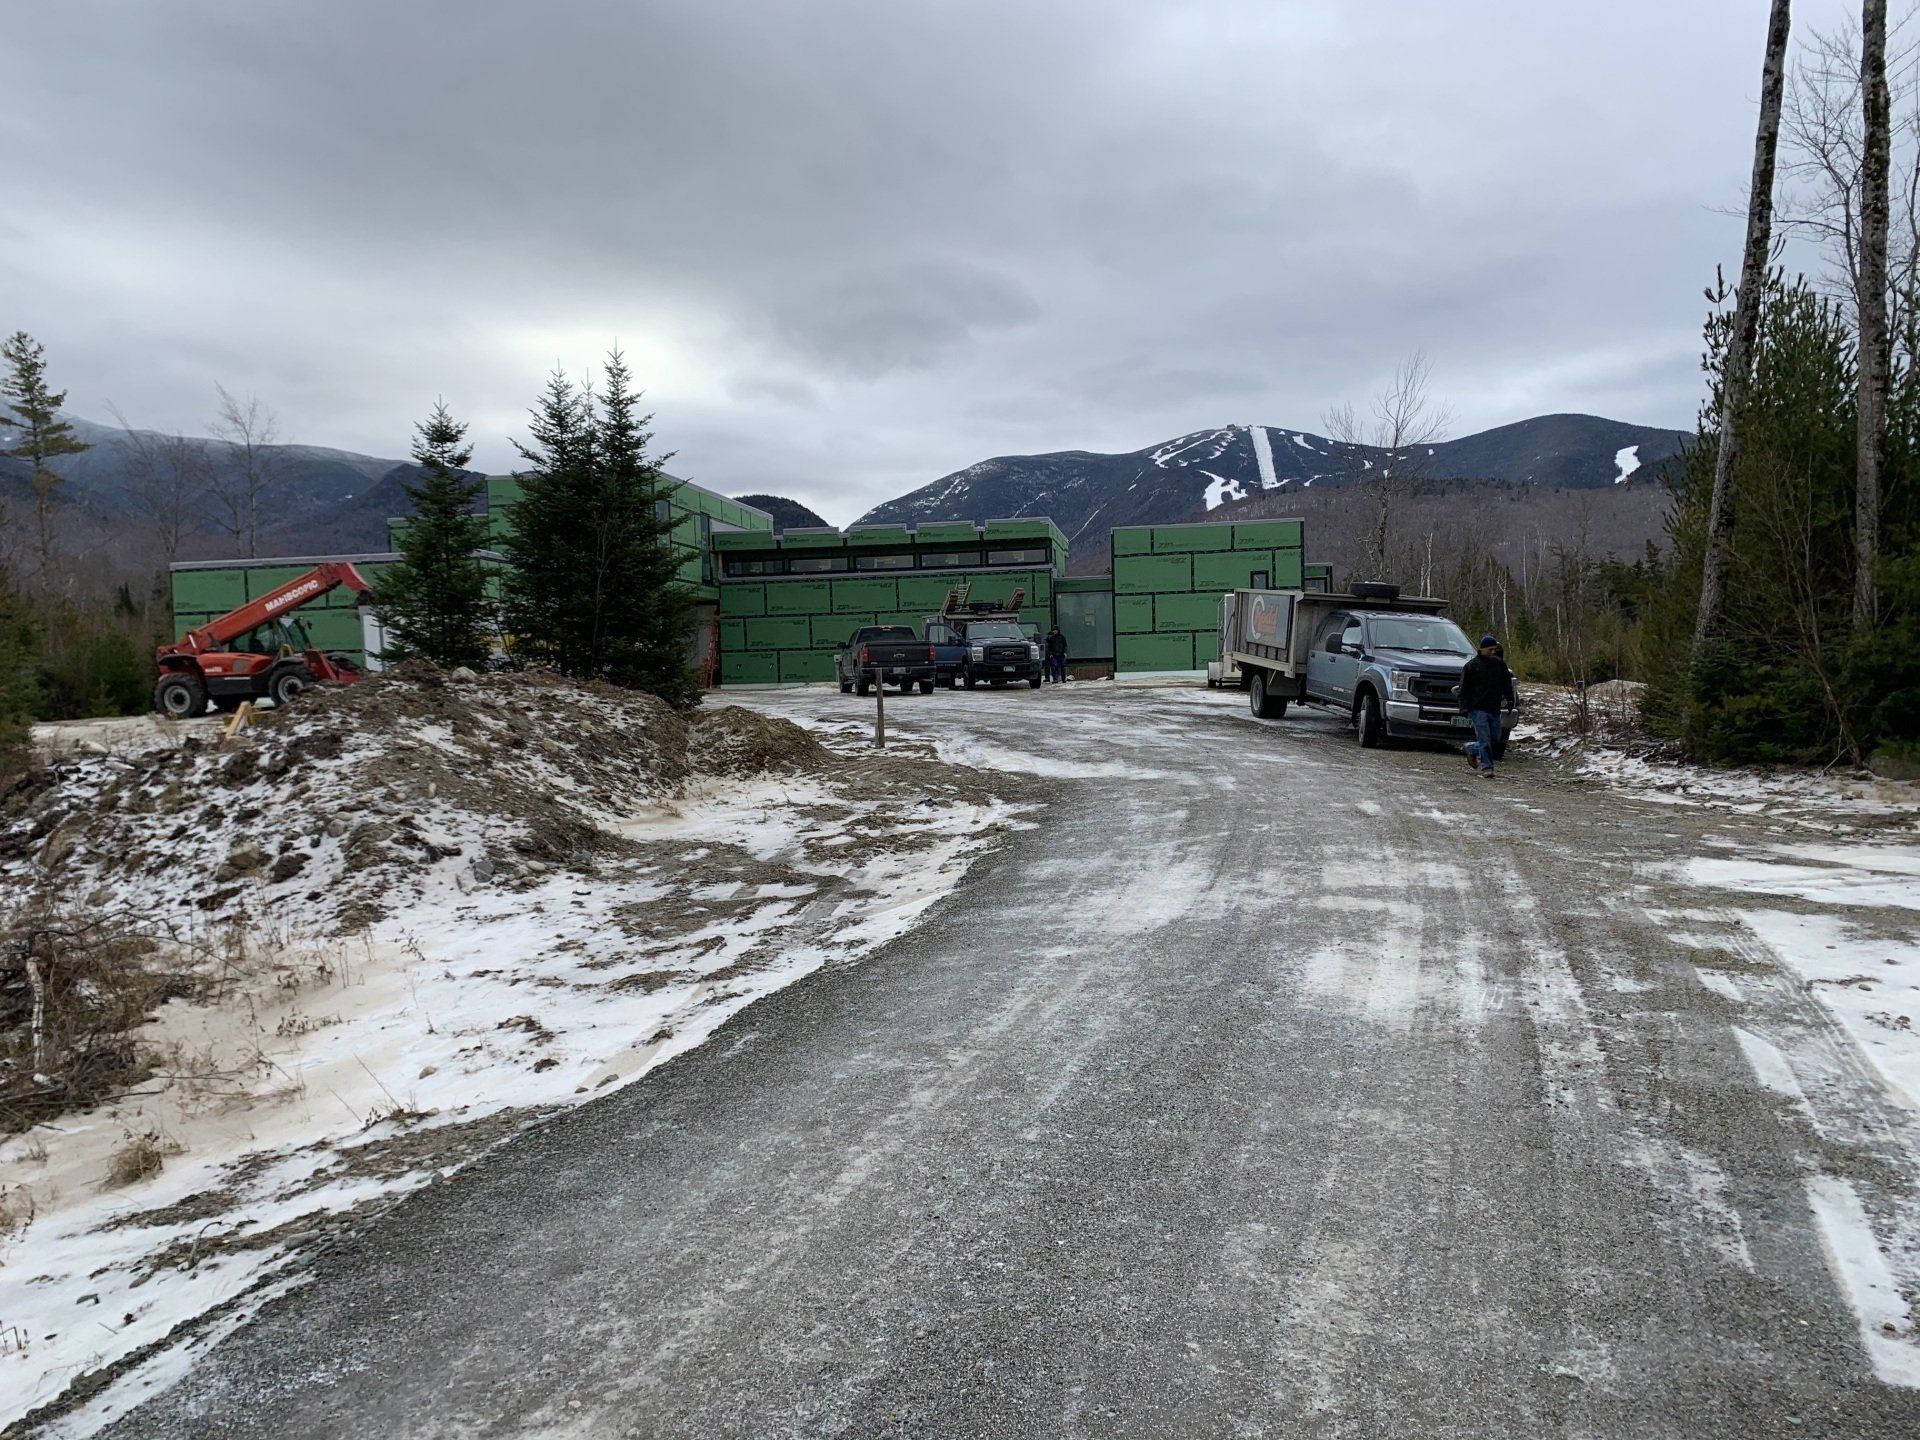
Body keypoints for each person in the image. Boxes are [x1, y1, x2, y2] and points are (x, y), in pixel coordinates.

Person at [1458, 632, 1515, 778]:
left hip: (1494, 708)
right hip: (1477, 709)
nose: (1493, 652)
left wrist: (1510, 700)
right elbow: (1463, 689)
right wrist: (1463, 707)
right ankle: (1487, 768)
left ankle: (1471, 748)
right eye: (1490, 649)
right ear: (1482, 649)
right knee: (1484, 739)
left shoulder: (1499, 665)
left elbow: (1506, 684)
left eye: (1494, 649)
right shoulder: (1471, 666)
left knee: (1495, 738)